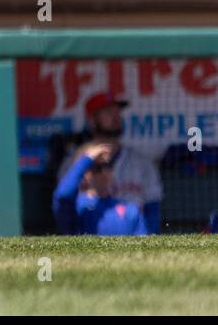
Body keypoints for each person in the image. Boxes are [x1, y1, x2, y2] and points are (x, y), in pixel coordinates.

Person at [55, 89, 161, 232]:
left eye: (117, 111)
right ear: (92, 120)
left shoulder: (141, 163)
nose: (116, 116)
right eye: (108, 112)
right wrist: (87, 160)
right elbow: (63, 199)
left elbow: (152, 209)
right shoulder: (74, 162)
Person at [53, 143, 149, 236]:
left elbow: (144, 247)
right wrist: (87, 158)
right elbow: (63, 195)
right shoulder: (77, 207)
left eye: (108, 166)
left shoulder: (130, 209)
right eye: (98, 168)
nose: (105, 172)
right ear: (83, 173)